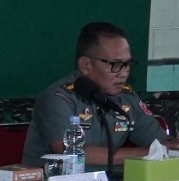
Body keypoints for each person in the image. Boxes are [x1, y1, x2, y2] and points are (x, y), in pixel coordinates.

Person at [23, 22, 168, 171]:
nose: (124, 73)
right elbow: (70, 152)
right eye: (116, 64)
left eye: (127, 64)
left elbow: (161, 142)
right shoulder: (58, 97)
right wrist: (149, 152)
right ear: (85, 65)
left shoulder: (127, 98)